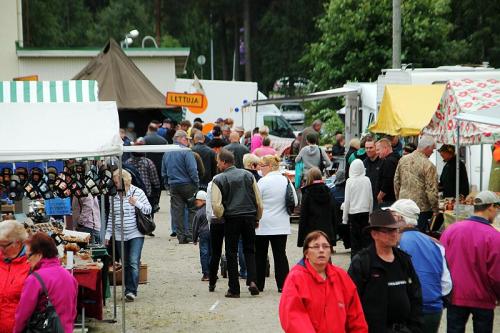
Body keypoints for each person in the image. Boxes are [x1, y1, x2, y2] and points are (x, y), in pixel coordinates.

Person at [348, 210, 423, 333]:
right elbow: (351, 301)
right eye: (388, 231)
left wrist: (414, 327)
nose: (394, 234)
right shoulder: (362, 262)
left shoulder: (403, 259)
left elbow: (416, 296)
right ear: (374, 234)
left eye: (395, 230)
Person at [279, 231, 368, 333]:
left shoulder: (341, 277)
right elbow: (294, 318)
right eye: (316, 247)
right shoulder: (296, 278)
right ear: (306, 253)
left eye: (325, 246)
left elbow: (356, 316)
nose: (321, 250)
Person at [440, 191, 500, 333]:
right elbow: (496, 273)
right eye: (497, 207)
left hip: (455, 296)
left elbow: (441, 261)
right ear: (490, 206)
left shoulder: (451, 230)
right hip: (483, 297)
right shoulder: (494, 236)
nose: (497, 212)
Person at [389, 199, 452, 333]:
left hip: (408, 311)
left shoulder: (395, 244)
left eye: (392, 215)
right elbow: (446, 284)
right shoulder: (435, 243)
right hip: (433, 310)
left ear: (400, 218)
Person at [210, 149, 263, 298]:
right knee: (250, 249)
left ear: (224, 162)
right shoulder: (248, 175)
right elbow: (258, 200)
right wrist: (257, 217)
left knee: (231, 252)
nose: (217, 164)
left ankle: (234, 288)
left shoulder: (218, 179)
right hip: (249, 216)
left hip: (232, 217)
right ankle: (253, 280)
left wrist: (222, 216)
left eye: (218, 161)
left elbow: (216, 204)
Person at [14, 232, 78, 333]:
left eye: (28, 256)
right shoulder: (69, 276)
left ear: (39, 254)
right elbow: (72, 311)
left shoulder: (34, 279)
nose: (27, 261)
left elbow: (23, 314)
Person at [106, 169, 151, 301]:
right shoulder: (113, 196)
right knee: (124, 263)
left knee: (133, 261)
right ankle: (127, 289)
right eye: (114, 182)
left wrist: (136, 203)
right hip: (120, 234)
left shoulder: (137, 192)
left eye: (117, 182)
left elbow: (149, 209)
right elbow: (111, 216)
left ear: (124, 180)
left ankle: (132, 290)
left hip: (135, 232)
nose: (115, 185)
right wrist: (108, 234)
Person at [255, 155, 294, 292]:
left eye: (262, 165)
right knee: (280, 255)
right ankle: (283, 285)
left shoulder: (263, 182)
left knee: (260, 255)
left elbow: (257, 202)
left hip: (263, 224)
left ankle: (259, 284)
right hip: (281, 224)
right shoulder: (286, 180)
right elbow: (293, 200)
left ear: (270, 166)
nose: (260, 168)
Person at [162, 130, 199, 243]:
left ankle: (181, 237)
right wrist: (196, 182)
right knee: (192, 209)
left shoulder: (167, 152)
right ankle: (190, 235)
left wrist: (167, 184)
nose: (188, 141)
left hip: (174, 185)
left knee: (177, 211)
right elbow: (192, 169)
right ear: (181, 139)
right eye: (186, 139)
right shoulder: (186, 151)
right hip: (188, 184)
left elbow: (163, 171)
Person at [394, 136, 438, 231]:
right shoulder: (429, 165)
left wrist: (399, 199)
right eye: (432, 149)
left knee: (402, 232)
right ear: (427, 148)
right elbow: (431, 190)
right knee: (417, 234)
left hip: (403, 204)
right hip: (420, 208)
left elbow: (396, 182)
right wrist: (435, 208)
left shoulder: (403, 160)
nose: (432, 152)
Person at [0, 221, 30, 333]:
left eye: (4, 245)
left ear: (18, 243)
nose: (1, 249)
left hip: (20, 328)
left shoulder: (32, 264)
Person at [297, 167, 335, 247]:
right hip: (327, 232)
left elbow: (303, 217)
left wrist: (300, 240)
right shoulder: (329, 192)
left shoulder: (307, 193)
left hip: (311, 232)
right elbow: (333, 214)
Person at [343, 159, 373, 258]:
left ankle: (355, 262)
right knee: (366, 239)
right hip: (365, 212)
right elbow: (370, 198)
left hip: (353, 213)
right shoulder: (367, 180)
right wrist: (370, 214)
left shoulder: (349, 181)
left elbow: (347, 201)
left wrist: (344, 218)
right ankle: (367, 260)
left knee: (355, 241)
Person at [126, 141, 162, 218]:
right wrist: (157, 191)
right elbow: (155, 180)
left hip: (130, 193)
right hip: (147, 193)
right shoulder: (148, 162)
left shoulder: (128, 162)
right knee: (147, 214)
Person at [375, 138, 400, 207]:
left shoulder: (389, 161)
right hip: (393, 199)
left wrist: (380, 196)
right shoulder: (396, 158)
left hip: (388, 200)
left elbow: (387, 181)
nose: (376, 152)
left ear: (385, 148)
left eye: (378, 150)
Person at [192, 190, 210, 281]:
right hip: (213, 232)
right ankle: (213, 272)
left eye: (197, 201)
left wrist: (194, 238)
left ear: (203, 201)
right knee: (212, 253)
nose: (195, 202)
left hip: (203, 234)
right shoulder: (211, 209)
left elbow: (195, 227)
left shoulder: (199, 213)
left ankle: (206, 274)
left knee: (204, 253)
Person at [363, 137, 382, 206]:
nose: (368, 150)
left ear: (376, 148)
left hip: (379, 200)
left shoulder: (382, 162)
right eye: (366, 148)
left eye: (371, 148)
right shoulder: (364, 163)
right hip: (366, 199)